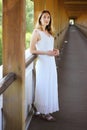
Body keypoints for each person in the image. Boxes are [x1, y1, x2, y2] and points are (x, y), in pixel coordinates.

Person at [30, 10, 59, 121]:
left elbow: (49, 47)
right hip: (43, 64)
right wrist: (46, 53)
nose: (47, 19)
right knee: (43, 87)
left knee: (50, 86)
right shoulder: (36, 32)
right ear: (40, 19)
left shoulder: (49, 32)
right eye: (44, 17)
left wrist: (55, 51)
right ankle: (43, 111)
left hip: (51, 63)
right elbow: (32, 50)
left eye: (48, 17)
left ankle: (45, 110)